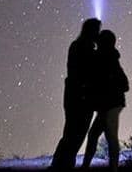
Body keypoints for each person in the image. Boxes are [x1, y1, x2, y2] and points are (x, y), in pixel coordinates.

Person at [50, 18, 102, 170]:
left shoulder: (78, 46)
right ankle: (61, 166)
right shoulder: (82, 48)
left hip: (77, 97)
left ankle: (61, 165)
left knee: (73, 135)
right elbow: (85, 73)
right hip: (80, 98)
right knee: (73, 135)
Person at [81, 29, 129, 171]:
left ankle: (112, 168)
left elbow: (124, 84)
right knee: (95, 135)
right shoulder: (109, 58)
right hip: (107, 104)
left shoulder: (108, 59)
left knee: (110, 136)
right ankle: (86, 166)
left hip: (111, 104)